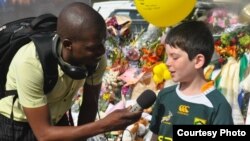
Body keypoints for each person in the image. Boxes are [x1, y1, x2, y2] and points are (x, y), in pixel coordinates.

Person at [0, 2, 142, 141]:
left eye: (102, 43)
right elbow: (44, 135)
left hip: (57, 118)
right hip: (19, 125)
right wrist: (105, 125)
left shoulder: (95, 59)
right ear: (68, 45)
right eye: (93, 47)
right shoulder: (31, 62)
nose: (102, 51)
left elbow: (89, 106)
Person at [149, 21, 234, 140]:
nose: (167, 63)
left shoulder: (218, 106)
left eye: (175, 57)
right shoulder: (164, 96)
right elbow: (155, 137)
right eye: (167, 57)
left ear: (198, 61)